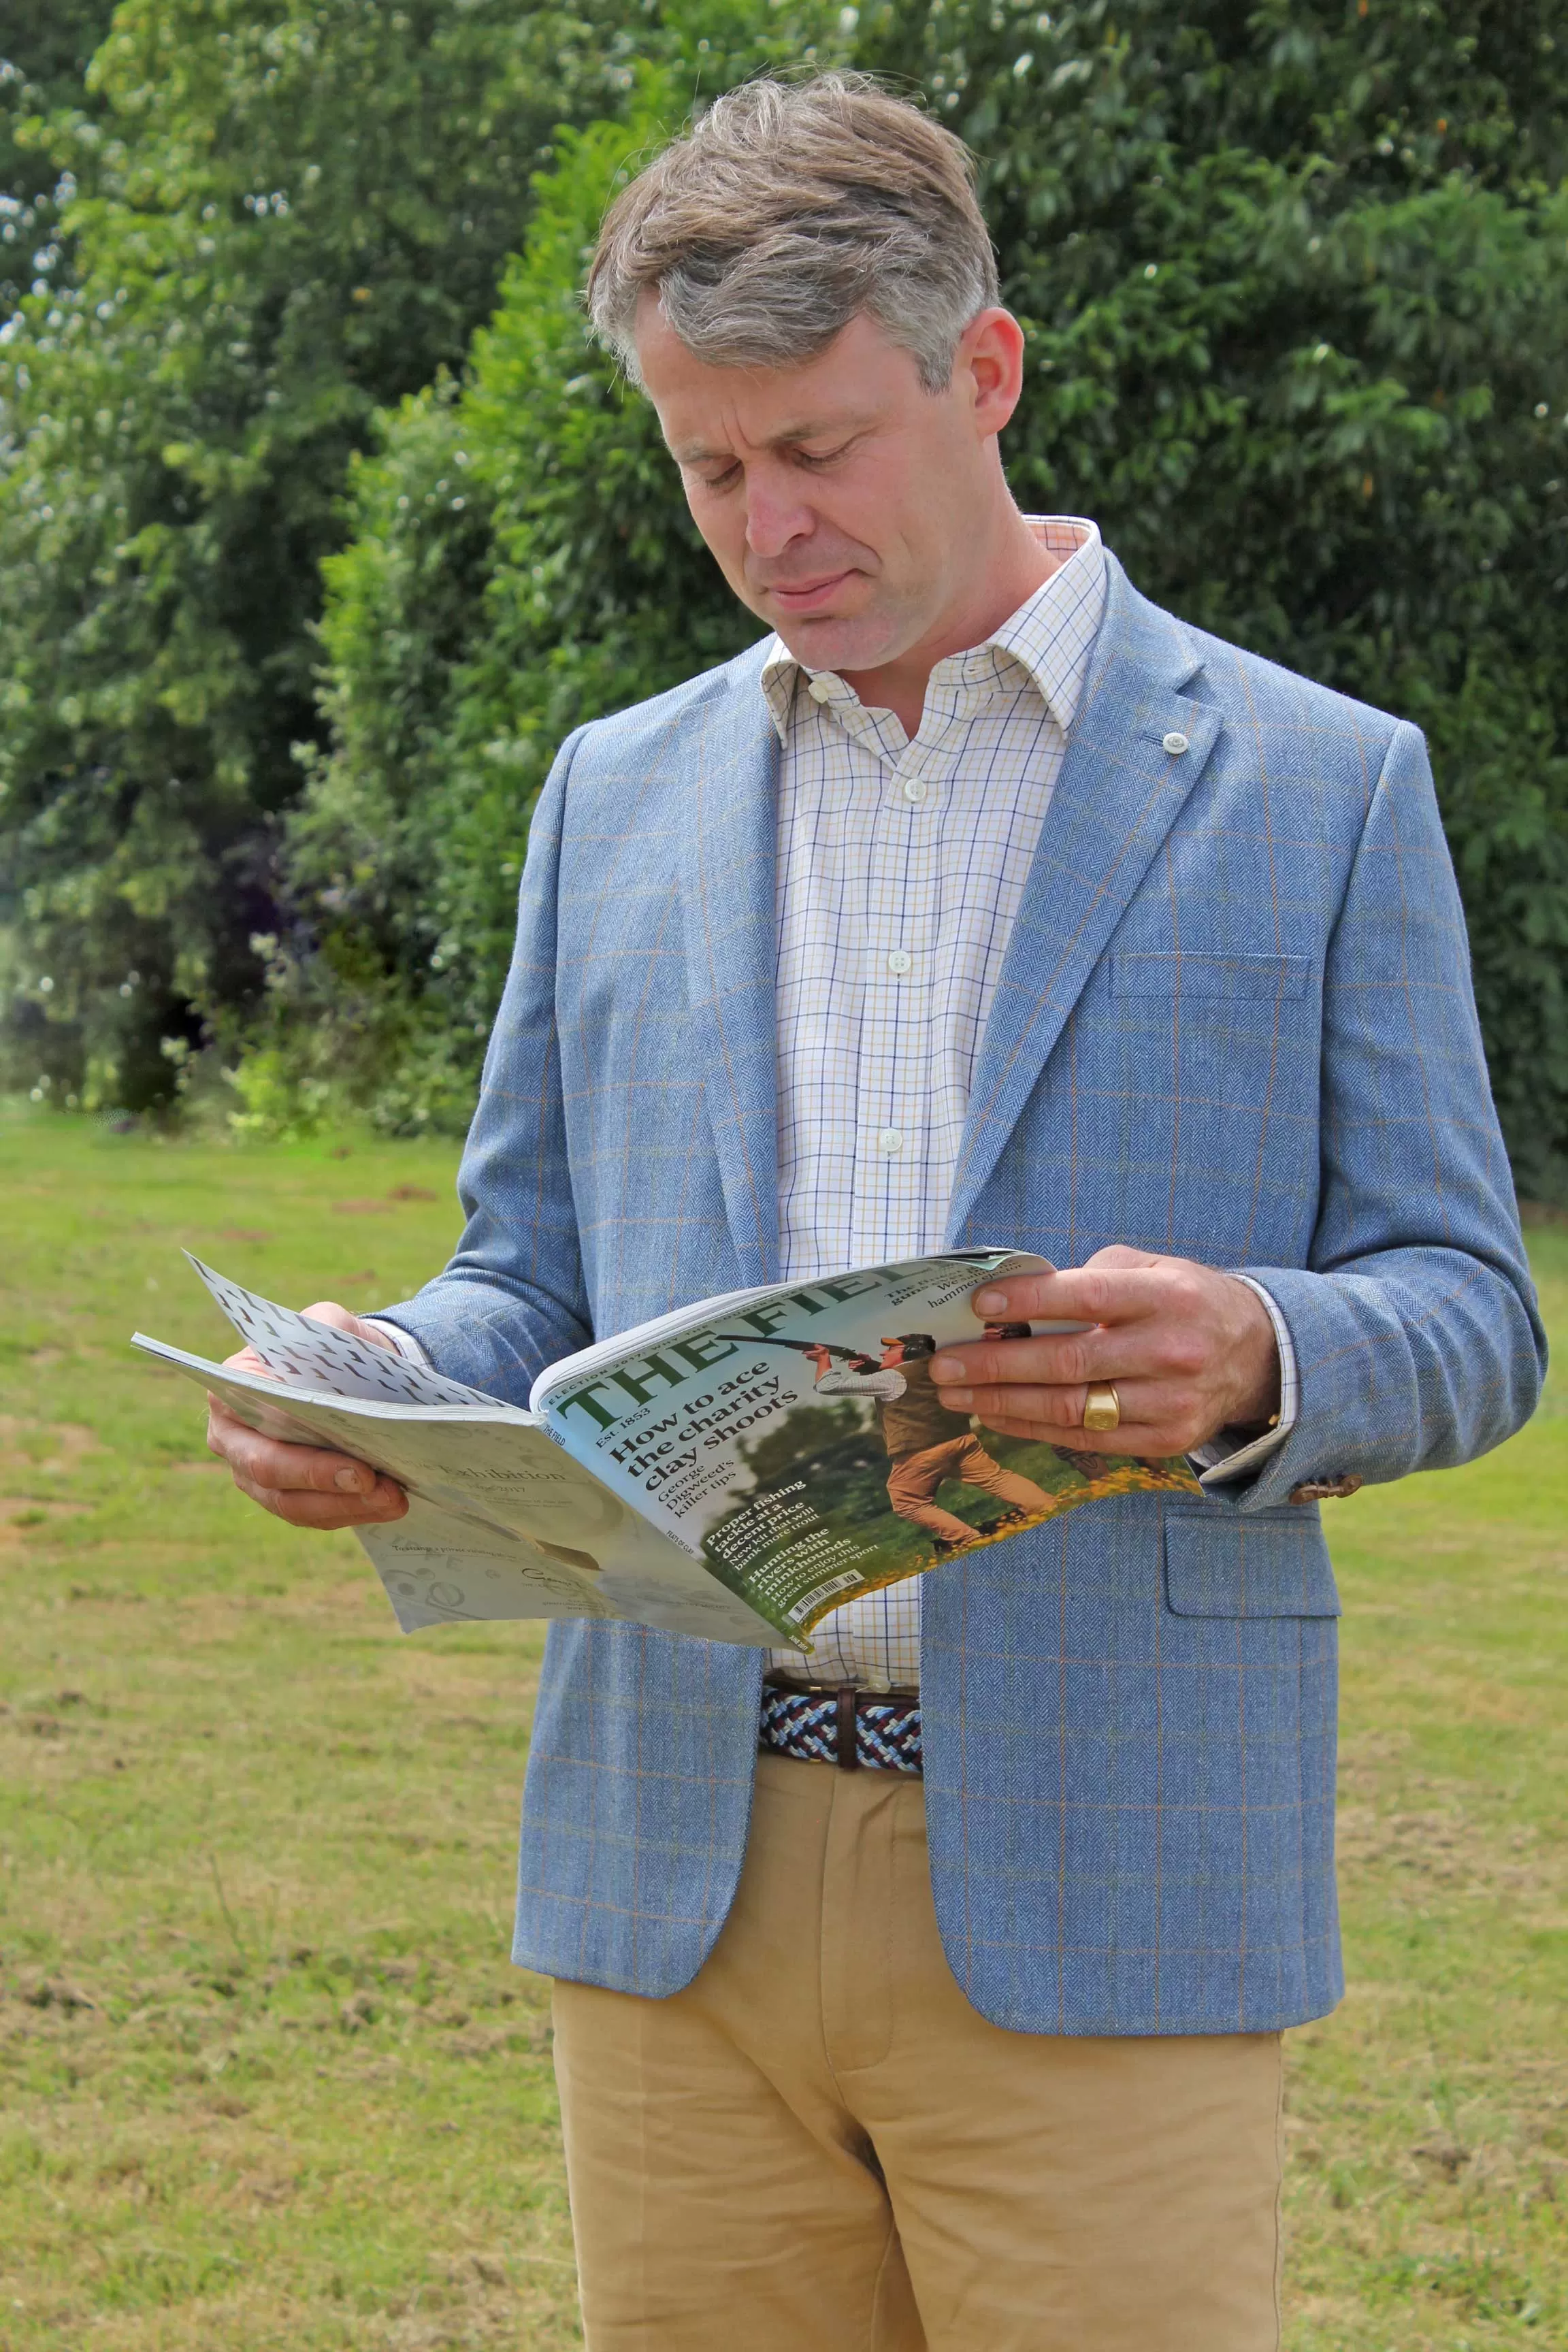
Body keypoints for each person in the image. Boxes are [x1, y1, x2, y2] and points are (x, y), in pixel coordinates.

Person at [206, 73, 1546, 2352]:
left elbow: (1470, 1306)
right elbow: (529, 1265)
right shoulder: (606, 796)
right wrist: (379, 1379)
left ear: (981, 370)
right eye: (707, 466)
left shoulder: (1319, 786)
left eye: (815, 449)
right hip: (672, 1887)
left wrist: (1261, 1347)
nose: (763, 525)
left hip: (1109, 1890)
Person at [804, 1333, 1052, 1549]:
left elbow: (830, 1386)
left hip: (921, 1452)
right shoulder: (935, 1367)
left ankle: (967, 1539)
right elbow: (905, 1385)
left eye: (891, 1349)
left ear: (909, 1351)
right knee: (996, 1478)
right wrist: (871, 1366)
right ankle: (1044, 1505)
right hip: (960, 1440)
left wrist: (824, 1359)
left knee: (906, 1501)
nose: (883, 1352)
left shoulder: (891, 1378)